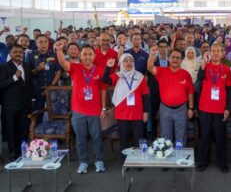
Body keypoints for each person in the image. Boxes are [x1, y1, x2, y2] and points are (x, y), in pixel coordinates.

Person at [55, 41, 107, 174]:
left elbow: (103, 90)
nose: (88, 57)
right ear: (80, 56)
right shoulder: (75, 67)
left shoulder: (100, 70)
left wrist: (104, 108)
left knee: (97, 137)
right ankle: (83, 162)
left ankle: (99, 161)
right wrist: (59, 51)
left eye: (90, 54)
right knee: (81, 138)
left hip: (95, 111)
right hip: (78, 111)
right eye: (85, 54)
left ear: (94, 56)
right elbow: (63, 63)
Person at [196, 43, 231, 174]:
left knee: (220, 138)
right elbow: (198, 80)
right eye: (213, 51)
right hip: (205, 108)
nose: (216, 53)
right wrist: (202, 66)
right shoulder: (205, 66)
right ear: (209, 53)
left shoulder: (227, 69)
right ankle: (204, 161)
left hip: (220, 109)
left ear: (222, 53)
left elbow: (229, 91)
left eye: (218, 51)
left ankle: (222, 163)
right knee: (205, 137)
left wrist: (228, 108)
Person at [103, 54, 149, 157]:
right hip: (122, 114)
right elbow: (105, 79)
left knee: (137, 139)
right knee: (124, 139)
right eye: (126, 61)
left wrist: (146, 112)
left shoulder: (140, 76)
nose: (129, 63)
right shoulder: (118, 76)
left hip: (137, 114)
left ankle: (137, 160)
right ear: (121, 63)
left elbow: (145, 95)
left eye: (131, 61)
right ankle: (126, 160)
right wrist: (108, 67)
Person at [147, 46, 194, 146]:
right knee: (166, 137)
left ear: (181, 60)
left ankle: (181, 160)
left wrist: (190, 108)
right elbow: (150, 67)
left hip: (181, 109)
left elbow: (190, 92)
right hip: (165, 109)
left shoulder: (186, 74)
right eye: (173, 57)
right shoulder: (162, 71)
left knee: (181, 137)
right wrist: (152, 55)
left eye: (178, 58)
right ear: (168, 59)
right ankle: (167, 160)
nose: (175, 59)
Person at [0, 44, 33, 161]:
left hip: (25, 104)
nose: (18, 54)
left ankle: (23, 151)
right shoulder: (4, 68)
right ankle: (13, 153)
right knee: (11, 129)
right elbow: (1, 85)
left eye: (20, 52)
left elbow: (28, 84)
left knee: (23, 128)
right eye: (15, 52)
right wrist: (14, 77)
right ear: (10, 54)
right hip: (10, 105)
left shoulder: (27, 66)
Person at [25, 34, 61, 116]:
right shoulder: (30, 55)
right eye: (40, 42)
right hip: (36, 89)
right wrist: (38, 69)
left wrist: (51, 86)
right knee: (37, 113)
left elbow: (58, 71)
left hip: (51, 88)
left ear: (48, 43)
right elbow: (28, 74)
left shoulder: (54, 55)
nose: (43, 44)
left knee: (55, 112)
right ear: (36, 43)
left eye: (45, 42)